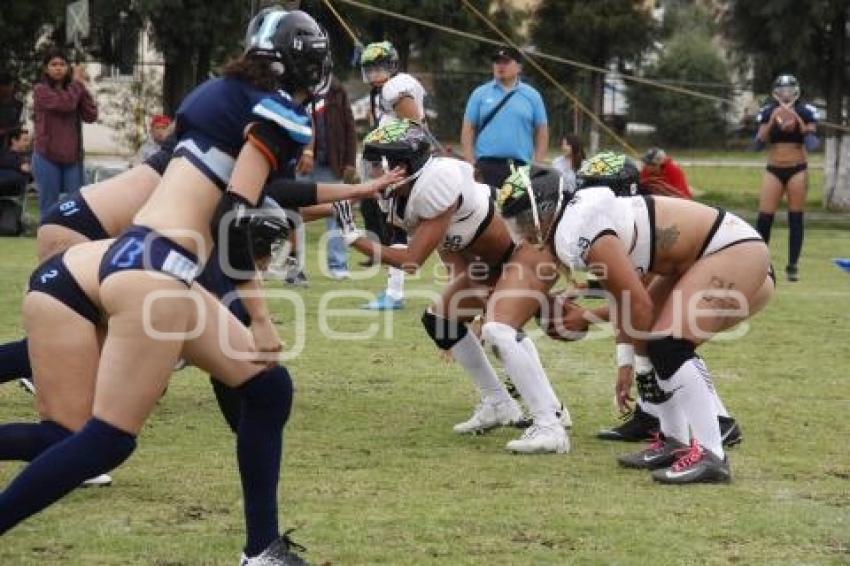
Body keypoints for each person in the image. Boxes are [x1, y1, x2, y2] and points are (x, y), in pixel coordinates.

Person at [0, 9, 328, 563]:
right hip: (160, 272)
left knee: (269, 389)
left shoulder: (220, 97)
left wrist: (357, 190)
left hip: (139, 255)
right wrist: (263, 319)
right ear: (305, 62)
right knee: (105, 439)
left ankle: (263, 550)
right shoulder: (277, 114)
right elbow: (238, 218)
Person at [497, 159, 775, 484]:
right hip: (702, 253)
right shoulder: (573, 223)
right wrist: (626, 363)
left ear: (545, 209)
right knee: (659, 345)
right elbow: (625, 299)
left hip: (729, 248)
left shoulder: (579, 230)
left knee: (669, 345)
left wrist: (640, 368)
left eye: (523, 220)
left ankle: (713, 454)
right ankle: (674, 440)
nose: (521, 231)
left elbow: (637, 302)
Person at [336, 119, 571, 454]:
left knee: (498, 329)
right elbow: (453, 253)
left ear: (403, 167)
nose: (373, 172)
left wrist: (354, 238)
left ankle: (550, 423)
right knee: (441, 321)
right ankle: (499, 404)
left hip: (527, 249)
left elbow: (411, 262)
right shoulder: (407, 197)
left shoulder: (435, 186)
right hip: (488, 263)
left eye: (379, 165)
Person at [358, 40, 427, 310]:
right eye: (370, 68)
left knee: (398, 225)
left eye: (380, 67)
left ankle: (395, 294)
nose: (374, 73)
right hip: (401, 163)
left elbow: (414, 127)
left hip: (406, 165)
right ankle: (393, 291)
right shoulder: (387, 89)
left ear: (392, 65)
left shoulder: (395, 87)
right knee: (396, 225)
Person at [754, 74, 818, 282]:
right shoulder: (768, 110)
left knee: (795, 217)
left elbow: (812, 143)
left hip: (797, 168)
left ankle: (792, 265)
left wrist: (797, 120)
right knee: (764, 217)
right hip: (773, 168)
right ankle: (759, 264)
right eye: (782, 89)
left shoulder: (805, 110)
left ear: (796, 90)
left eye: (790, 89)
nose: (786, 93)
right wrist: (774, 120)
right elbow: (758, 143)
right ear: (776, 91)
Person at [295, 75, 358, 281]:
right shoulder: (296, 87)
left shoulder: (337, 91)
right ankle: (295, 267)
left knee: (338, 211)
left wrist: (350, 161)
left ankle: (338, 265)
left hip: (331, 164)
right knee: (294, 214)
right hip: (300, 163)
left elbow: (349, 127)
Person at [461, 46, 549, 192]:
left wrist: (536, 164)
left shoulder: (532, 95)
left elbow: (542, 131)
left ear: (519, 67)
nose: (500, 66)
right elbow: (468, 129)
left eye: (505, 62)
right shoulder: (480, 93)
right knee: (486, 212)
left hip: (520, 168)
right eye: (497, 62)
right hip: (486, 166)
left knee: (516, 213)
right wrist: (470, 162)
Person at [32, 48, 97, 221]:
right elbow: (65, 105)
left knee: (76, 205)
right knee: (49, 207)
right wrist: (77, 85)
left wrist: (82, 89)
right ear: (46, 69)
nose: (58, 68)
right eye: (53, 64)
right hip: (47, 155)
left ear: (68, 68)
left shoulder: (75, 90)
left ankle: (75, 244)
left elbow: (91, 116)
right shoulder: (40, 90)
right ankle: (48, 244)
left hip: (72, 157)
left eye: (62, 64)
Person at [0, 73, 24, 149]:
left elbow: (19, 124)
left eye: (10, 85)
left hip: (10, 145)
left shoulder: (18, 104)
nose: (11, 88)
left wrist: (5, 130)